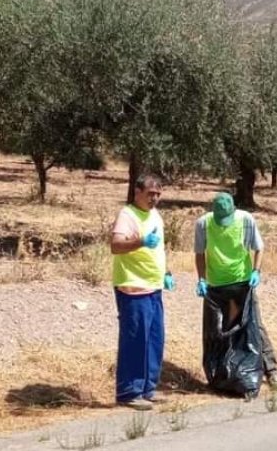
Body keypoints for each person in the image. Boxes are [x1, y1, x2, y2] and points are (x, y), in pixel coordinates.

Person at [194, 192, 277, 387]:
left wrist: (256, 271)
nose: (223, 224)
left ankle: (271, 369)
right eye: (220, 220)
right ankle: (223, 373)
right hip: (216, 286)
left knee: (253, 325)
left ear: (234, 210)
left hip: (242, 283)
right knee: (220, 330)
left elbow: (259, 248)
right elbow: (200, 254)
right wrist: (201, 279)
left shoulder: (245, 220)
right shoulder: (203, 224)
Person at [110, 173, 175, 411]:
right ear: (137, 192)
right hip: (133, 286)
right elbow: (116, 245)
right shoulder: (127, 215)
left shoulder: (155, 215)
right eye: (150, 193)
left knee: (154, 340)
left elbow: (158, 249)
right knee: (135, 339)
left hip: (154, 286)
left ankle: (147, 388)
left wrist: (166, 272)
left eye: (158, 194)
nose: (154, 198)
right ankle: (129, 392)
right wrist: (140, 242)